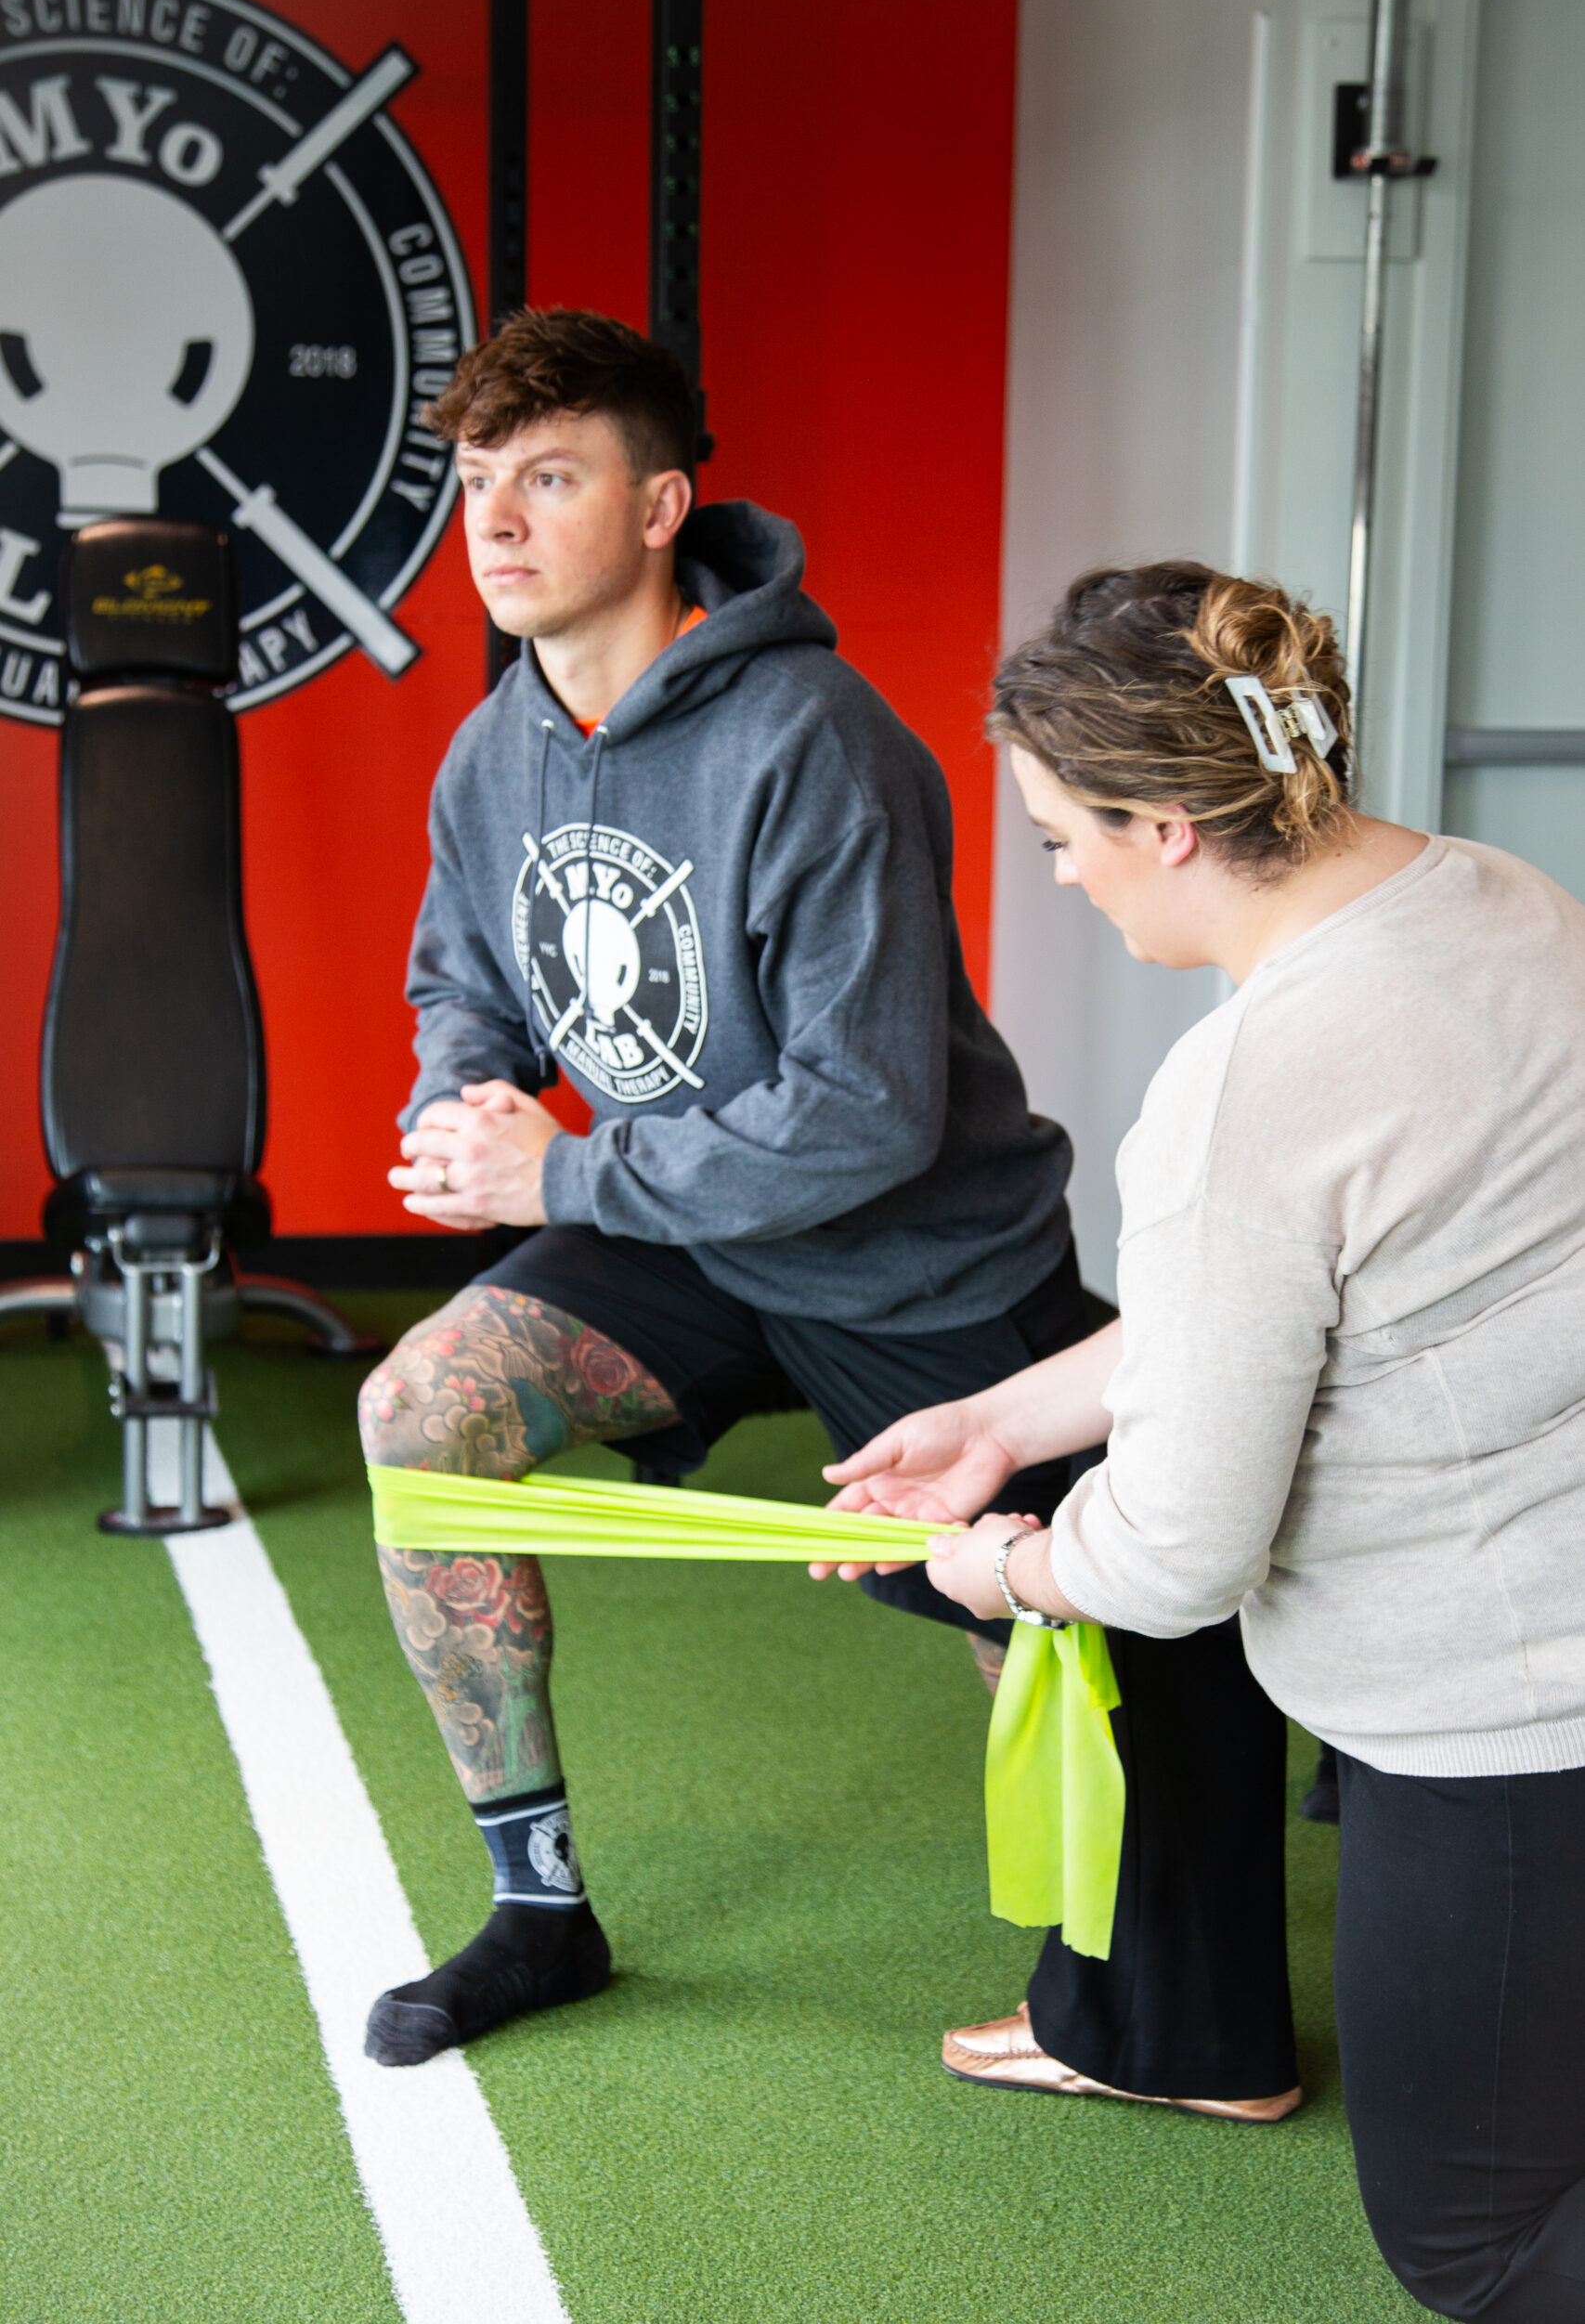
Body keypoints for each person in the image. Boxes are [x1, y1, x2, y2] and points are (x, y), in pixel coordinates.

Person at [828, 558, 1585, 2318]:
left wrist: (1005, 1567)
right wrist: (999, 1421)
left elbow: (1173, 1554)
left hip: (1511, 1712)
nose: (1061, 876)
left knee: (1480, 2242)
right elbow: (1295, 1309)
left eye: (1059, 839)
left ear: (1164, 826)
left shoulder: (1246, 1089)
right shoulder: (1502, 898)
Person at [356, 306, 1091, 2067]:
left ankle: (1114, 1957)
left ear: (663, 504)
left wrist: (565, 1168)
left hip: (911, 1262)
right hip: (679, 1236)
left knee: (1052, 1605)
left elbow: (868, 1115)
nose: (498, 523)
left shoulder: (814, 738)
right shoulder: (495, 747)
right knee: (420, 1411)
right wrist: (462, 1108)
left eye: (550, 479)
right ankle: (539, 1911)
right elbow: (465, 978)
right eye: (479, 484)